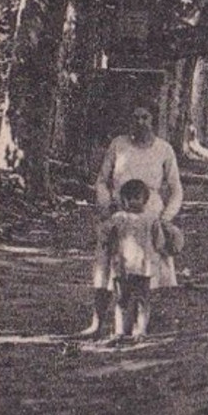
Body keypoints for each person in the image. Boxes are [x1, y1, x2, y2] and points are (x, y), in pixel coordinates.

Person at [80, 102, 183, 337]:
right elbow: (102, 180)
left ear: (153, 120)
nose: (140, 122)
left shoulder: (164, 149)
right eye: (135, 117)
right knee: (107, 264)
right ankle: (97, 322)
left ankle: (140, 325)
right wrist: (106, 205)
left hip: (149, 218)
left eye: (145, 117)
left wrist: (165, 217)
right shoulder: (119, 145)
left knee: (143, 270)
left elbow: (176, 189)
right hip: (119, 214)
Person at [102, 179, 160, 339]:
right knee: (121, 299)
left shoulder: (151, 218)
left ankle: (141, 329)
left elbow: (159, 240)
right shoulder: (118, 218)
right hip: (122, 265)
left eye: (137, 197)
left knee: (142, 300)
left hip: (143, 266)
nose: (134, 201)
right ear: (123, 200)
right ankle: (119, 330)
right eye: (129, 197)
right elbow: (105, 235)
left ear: (145, 199)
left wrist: (158, 251)